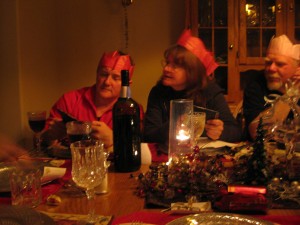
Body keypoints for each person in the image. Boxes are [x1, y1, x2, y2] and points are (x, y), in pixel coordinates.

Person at [143, 29, 242, 160]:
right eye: (167, 63)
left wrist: (220, 132)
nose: (166, 69)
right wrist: (173, 126)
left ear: (192, 71)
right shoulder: (158, 92)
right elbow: (149, 134)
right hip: (169, 159)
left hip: (202, 161)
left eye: (175, 66)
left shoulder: (210, 91)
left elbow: (236, 131)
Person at [42, 51, 144, 152]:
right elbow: (39, 139)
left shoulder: (133, 109)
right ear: (97, 74)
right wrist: (51, 136)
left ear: (127, 84)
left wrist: (114, 140)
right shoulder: (69, 100)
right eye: (103, 74)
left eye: (116, 77)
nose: (107, 82)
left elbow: (138, 151)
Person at [243, 35, 300, 141]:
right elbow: (257, 133)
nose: (271, 68)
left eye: (280, 64)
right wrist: (290, 94)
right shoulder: (256, 85)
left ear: (298, 68)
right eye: (268, 62)